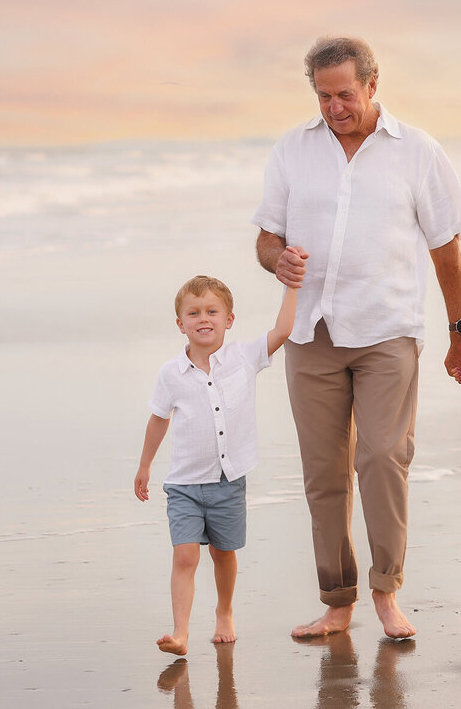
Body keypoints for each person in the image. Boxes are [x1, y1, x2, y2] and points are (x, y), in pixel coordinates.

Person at [251, 36, 461, 640]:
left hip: (387, 330)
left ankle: (387, 591)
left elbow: (447, 249)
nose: (334, 107)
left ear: (373, 86)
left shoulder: (418, 152)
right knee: (324, 473)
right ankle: (337, 599)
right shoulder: (292, 150)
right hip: (312, 332)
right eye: (324, 96)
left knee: (383, 456)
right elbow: (265, 239)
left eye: (345, 94)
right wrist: (277, 260)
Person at [135, 273, 299, 655]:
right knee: (185, 555)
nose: (203, 318)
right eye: (193, 313)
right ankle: (180, 633)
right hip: (184, 486)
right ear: (180, 324)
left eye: (212, 310)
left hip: (229, 480)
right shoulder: (170, 373)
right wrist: (145, 465)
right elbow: (159, 417)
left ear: (229, 319)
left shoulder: (245, 357)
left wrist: (293, 284)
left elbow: (284, 329)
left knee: (224, 553)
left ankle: (225, 611)